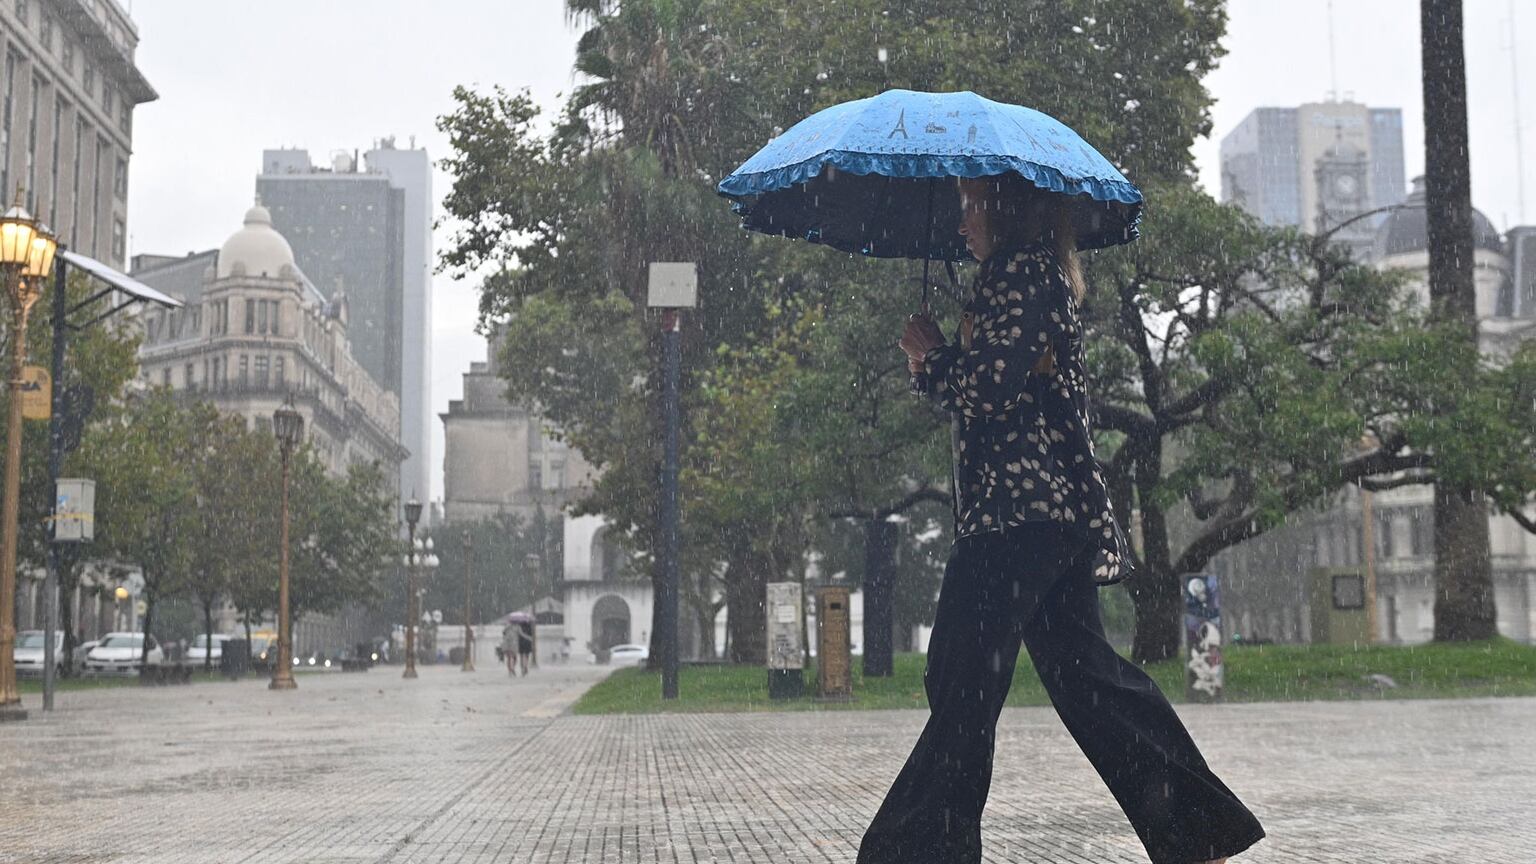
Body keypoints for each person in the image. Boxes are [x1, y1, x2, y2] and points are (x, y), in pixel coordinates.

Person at [859, 174, 1264, 864]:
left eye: (968, 209)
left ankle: (919, 851)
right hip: (1043, 516)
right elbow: (991, 389)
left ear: (1002, 208)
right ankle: (1195, 832)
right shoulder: (1024, 276)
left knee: (964, 680)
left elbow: (987, 388)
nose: (961, 226)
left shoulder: (1021, 274)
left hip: (1022, 520)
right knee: (1086, 681)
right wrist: (929, 363)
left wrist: (931, 357)